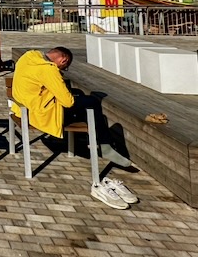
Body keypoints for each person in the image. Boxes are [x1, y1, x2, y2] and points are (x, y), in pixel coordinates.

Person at [12, 47, 138, 208]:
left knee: (78, 95)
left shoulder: (29, 56)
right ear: (62, 60)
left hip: (22, 106)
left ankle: (93, 138)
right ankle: (104, 145)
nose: (64, 70)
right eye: (65, 67)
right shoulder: (49, 71)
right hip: (39, 112)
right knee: (91, 103)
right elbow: (68, 102)